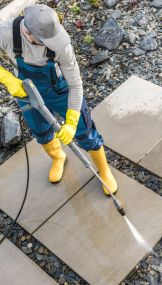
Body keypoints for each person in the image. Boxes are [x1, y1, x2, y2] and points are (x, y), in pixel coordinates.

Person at [0, 4, 118, 195]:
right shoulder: (5, 32)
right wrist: (7, 79)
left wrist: (71, 121)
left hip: (59, 89)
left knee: (84, 130)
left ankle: (104, 170)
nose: (54, 44)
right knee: (41, 131)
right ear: (28, 33)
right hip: (25, 91)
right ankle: (58, 157)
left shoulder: (62, 45)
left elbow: (76, 84)